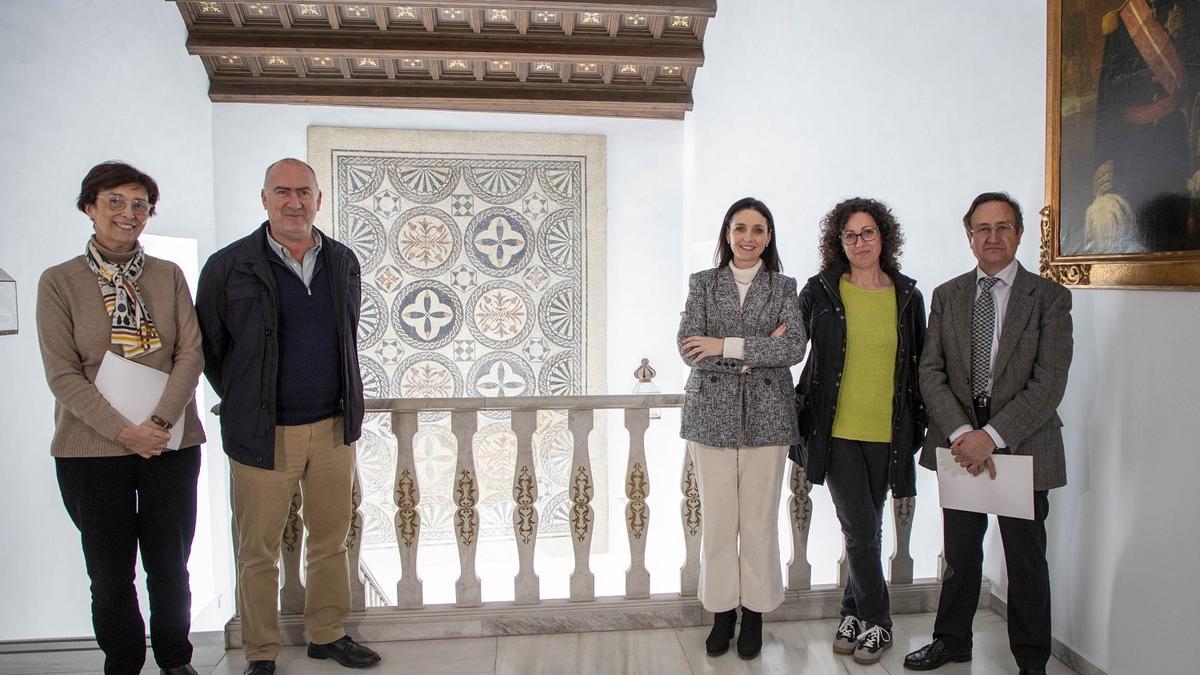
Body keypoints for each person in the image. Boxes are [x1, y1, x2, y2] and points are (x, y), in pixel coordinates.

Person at [195, 158, 380, 674]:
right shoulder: (228, 265)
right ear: (264, 198)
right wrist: (247, 397)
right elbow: (211, 348)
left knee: (331, 539)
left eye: (304, 192)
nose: (293, 201)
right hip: (262, 433)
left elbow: (345, 335)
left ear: (318, 200)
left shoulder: (342, 261)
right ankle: (260, 651)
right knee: (258, 550)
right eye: (283, 191)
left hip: (331, 429)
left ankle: (326, 633)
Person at [37, 161, 205, 675]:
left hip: (169, 444)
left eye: (139, 204)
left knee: (170, 567)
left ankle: (176, 661)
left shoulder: (168, 275)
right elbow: (63, 374)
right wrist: (123, 432)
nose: (128, 213)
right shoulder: (59, 282)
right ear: (89, 208)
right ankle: (124, 663)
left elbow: (190, 353)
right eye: (115, 201)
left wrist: (157, 423)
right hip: (91, 452)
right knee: (110, 574)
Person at [904, 192, 1073, 675]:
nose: (992, 237)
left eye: (1002, 227)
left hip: (1023, 445)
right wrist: (962, 433)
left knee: (1025, 561)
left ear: (1018, 233)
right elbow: (930, 371)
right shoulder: (949, 294)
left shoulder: (1049, 298)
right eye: (982, 228)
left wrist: (992, 436)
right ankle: (952, 641)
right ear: (969, 236)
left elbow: (1049, 383)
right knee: (959, 554)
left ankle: (1032, 661)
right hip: (959, 447)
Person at [791, 198, 926, 664]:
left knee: (864, 532)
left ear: (883, 237)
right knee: (861, 528)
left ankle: (851, 612)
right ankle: (879, 623)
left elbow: (921, 366)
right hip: (836, 431)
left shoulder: (907, 295)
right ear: (838, 242)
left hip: (890, 433)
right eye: (850, 235)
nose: (860, 242)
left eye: (868, 233)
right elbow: (787, 344)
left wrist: (923, 427)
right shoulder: (820, 291)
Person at [677, 197, 807, 660]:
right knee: (717, 523)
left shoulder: (783, 286)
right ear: (727, 234)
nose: (748, 237)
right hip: (709, 417)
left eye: (758, 229)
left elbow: (793, 347)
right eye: (740, 228)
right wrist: (756, 351)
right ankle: (721, 614)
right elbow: (689, 348)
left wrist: (725, 345)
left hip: (768, 419)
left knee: (758, 523)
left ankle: (754, 614)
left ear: (769, 237)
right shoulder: (703, 283)